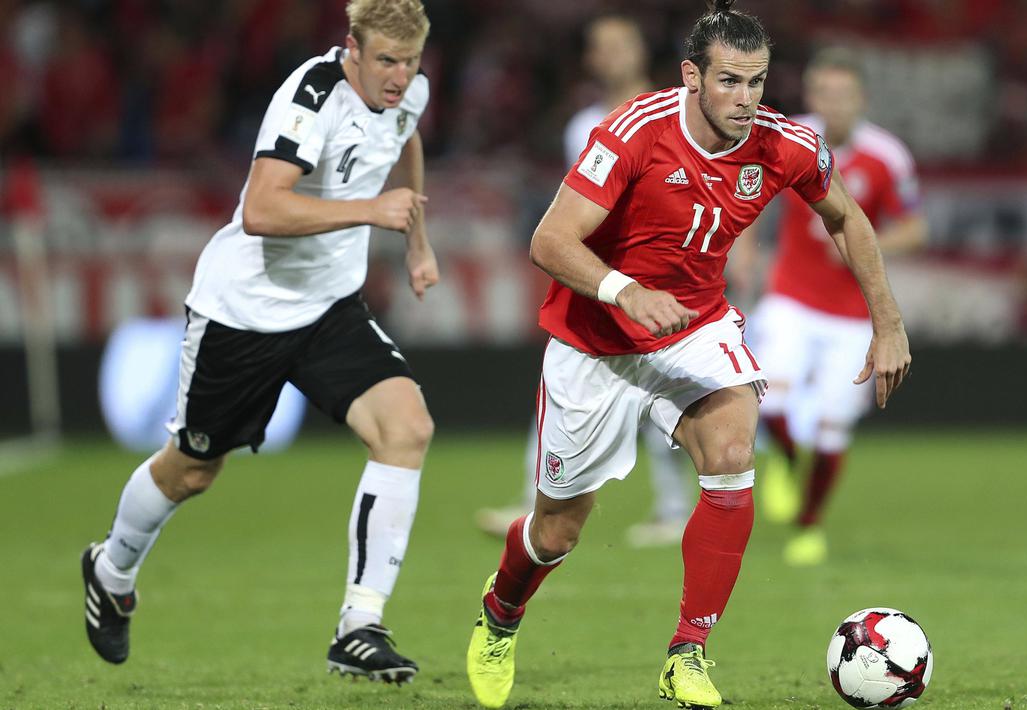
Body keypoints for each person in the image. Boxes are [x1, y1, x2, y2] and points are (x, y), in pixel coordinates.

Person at [464, 3, 911, 708]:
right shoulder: (633, 132)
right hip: (596, 342)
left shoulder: (783, 143)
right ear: (690, 76)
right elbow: (549, 241)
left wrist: (885, 322)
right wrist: (623, 290)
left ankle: (687, 652)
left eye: (757, 82)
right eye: (728, 81)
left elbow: (846, 216)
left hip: (694, 327)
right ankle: (501, 614)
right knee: (556, 531)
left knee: (732, 454)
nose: (745, 99)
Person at [80, 0, 437, 685]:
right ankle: (111, 568)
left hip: (328, 307)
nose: (398, 77)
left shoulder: (408, 91)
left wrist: (416, 240)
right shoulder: (309, 96)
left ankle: (359, 627)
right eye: (385, 60)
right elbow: (262, 210)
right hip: (245, 311)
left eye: (410, 61)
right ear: (351, 50)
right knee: (190, 471)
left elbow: (405, 136)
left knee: (407, 427)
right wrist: (370, 210)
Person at [474, 14, 694, 548]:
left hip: (666, 272)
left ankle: (676, 507)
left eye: (622, 43)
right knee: (564, 381)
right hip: (607, 278)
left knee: (664, 394)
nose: (612, 54)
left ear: (642, 50)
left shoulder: (678, 113)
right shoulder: (585, 126)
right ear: (592, 60)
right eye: (602, 47)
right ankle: (538, 499)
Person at [749, 47, 927, 566]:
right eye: (823, 93)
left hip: (852, 313)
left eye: (843, 95)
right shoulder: (786, 139)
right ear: (811, 96)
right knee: (769, 396)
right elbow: (747, 191)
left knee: (831, 425)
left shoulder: (887, 157)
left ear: (861, 99)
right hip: (791, 296)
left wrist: (864, 243)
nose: (833, 104)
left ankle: (809, 525)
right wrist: (743, 251)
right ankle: (782, 459)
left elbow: (916, 228)